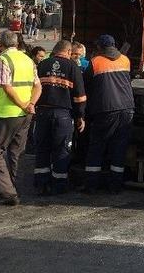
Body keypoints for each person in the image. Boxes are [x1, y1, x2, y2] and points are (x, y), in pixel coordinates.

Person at [0, 31, 42, 206]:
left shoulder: (3, 59)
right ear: (17, 44)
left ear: (1, 44)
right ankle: (15, 189)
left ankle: (8, 192)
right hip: (25, 115)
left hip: (7, 113)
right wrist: (30, 104)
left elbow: (6, 87)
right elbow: (38, 86)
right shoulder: (28, 59)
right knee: (17, 152)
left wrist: (23, 105)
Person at [34, 40, 87, 195]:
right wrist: (80, 116)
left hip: (42, 113)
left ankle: (42, 184)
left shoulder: (42, 65)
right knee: (61, 149)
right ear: (69, 52)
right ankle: (59, 185)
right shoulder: (72, 67)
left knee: (42, 148)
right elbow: (80, 96)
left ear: (55, 51)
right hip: (63, 114)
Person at [83, 34, 134, 194]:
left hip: (105, 109)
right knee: (119, 147)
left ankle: (91, 185)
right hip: (127, 108)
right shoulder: (125, 60)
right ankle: (115, 186)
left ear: (100, 47)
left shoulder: (95, 62)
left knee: (97, 146)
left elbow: (86, 86)